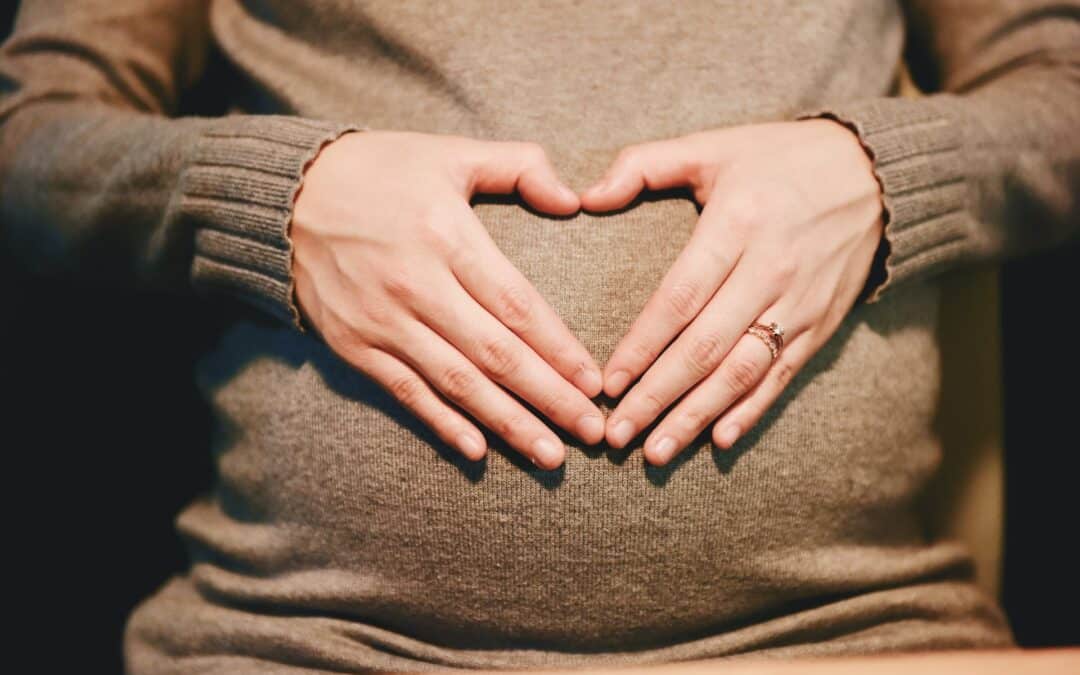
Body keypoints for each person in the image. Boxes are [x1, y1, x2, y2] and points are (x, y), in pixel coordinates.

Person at [1, 0, 1077, 672]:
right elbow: (29, 144)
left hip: (841, 643)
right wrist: (272, 197)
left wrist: (883, 174)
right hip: (308, 645)